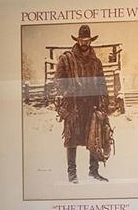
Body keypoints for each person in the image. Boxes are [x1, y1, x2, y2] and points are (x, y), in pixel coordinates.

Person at [49, 25, 119, 183]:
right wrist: (64, 100)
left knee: (95, 138)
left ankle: (93, 171)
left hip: (92, 105)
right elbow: (58, 82)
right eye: (82, 39)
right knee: (71, 139)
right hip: (74, 105)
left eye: (87, 40)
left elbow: (102, 85)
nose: (84, 43)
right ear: (78, 40)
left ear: (90, 41)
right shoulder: (67, 59)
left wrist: (104, 105)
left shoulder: (96, 62)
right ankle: (72, 174)